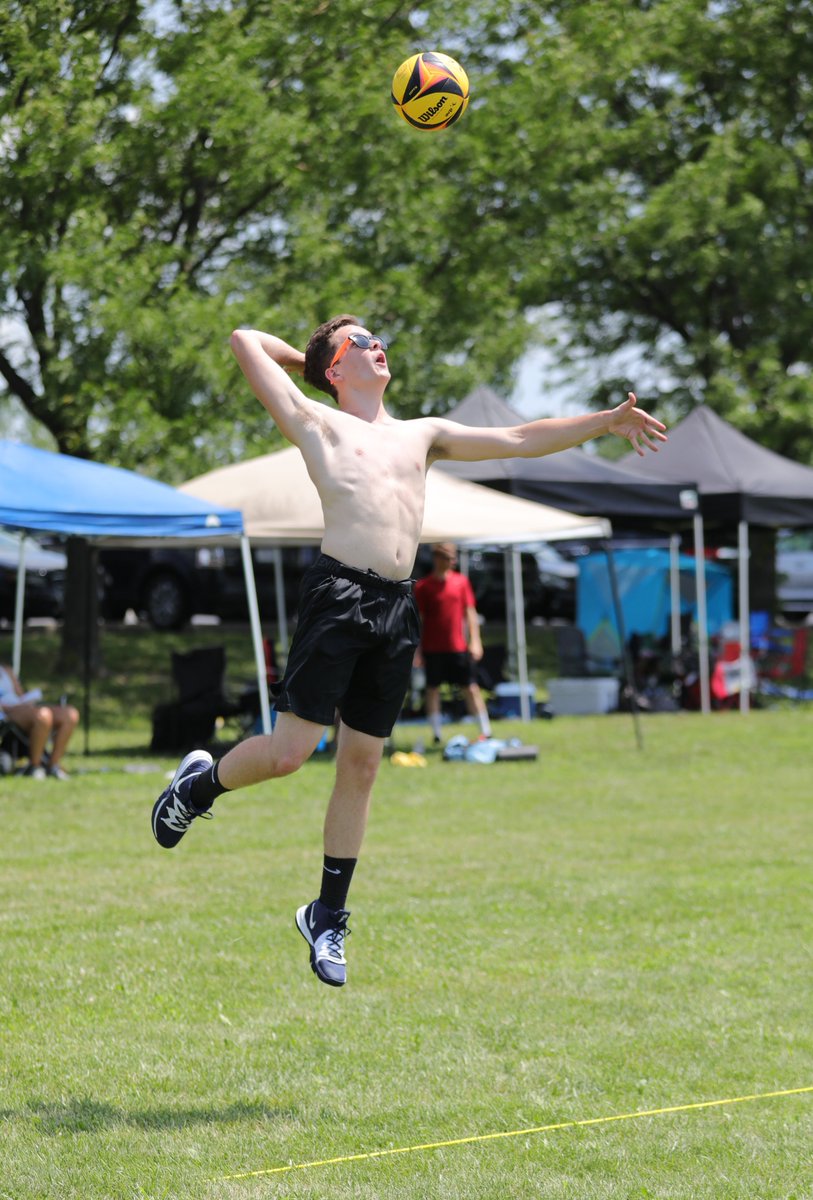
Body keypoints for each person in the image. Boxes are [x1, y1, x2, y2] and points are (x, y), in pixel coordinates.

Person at [151, 315, 667, 987]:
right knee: (288, 755)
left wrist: (602, 422)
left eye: (378, 339)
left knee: (362, 765)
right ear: (335, 369)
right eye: (360, 341)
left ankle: (326, 915)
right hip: (337, 597)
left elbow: (518, 438)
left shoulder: (422, 434)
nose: (377, 346)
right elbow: (244, 340)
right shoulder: (315, 421)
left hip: (396, 605)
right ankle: (197, 786)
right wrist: (312, 362)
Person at [414, 543, 492, 744]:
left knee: (471, 687)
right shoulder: (423, 586)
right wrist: (417, 651)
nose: (452, 562)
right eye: (447, 558)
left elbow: (470, 613)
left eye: (453, 558)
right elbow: (419, 620)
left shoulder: (461, 582)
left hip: (458, 647)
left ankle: (486, 731)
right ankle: (436, 733)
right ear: (437, 559)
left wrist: (475, 641)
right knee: (432, 689)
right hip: (432, 648)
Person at [0, 663, 80, 780]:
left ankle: (53, 765)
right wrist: (9, 707)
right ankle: (35, 767)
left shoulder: (6, 670)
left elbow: (20, 696)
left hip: (21, 707)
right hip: (6, 713)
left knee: (70, 714)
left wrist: (28, 701)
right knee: (43, 716)